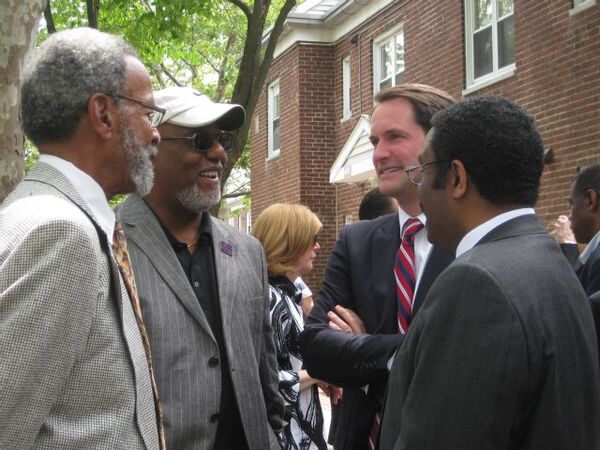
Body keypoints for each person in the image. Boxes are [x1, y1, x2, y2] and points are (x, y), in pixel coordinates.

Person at [379, 96, 600, 449]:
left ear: (456, 178)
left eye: (423, 171)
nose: (419, 193)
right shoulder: (553, 261)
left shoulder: (477, 284)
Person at [0, 28, 162, 448]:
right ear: (103, 115)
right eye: (148, 113)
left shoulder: (41, 212)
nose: (157, 133)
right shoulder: (61, 234)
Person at [115, 86, 284, 449]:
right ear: (152, 147)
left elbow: (264, 371)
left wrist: (271, 434)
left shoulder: (246, 249)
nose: (220, 153)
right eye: (201, 140)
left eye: (222, 139)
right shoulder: (105, 244)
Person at [299, 84, 455, 450]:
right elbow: (315, 347)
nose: (380, 154)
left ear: (440, 143)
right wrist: (405, 353)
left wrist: (364, 348)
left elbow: (460, 360)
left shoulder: (471, 242)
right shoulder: (357, 242)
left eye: (395, 137)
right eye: (374, 142)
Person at [253, 203, 328, 450]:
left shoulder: (285, 293)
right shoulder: (269, 299)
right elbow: (264, 380)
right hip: (286, 437)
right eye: (311, 239)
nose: (318, 246)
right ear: (290, 242)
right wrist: (321, 373)